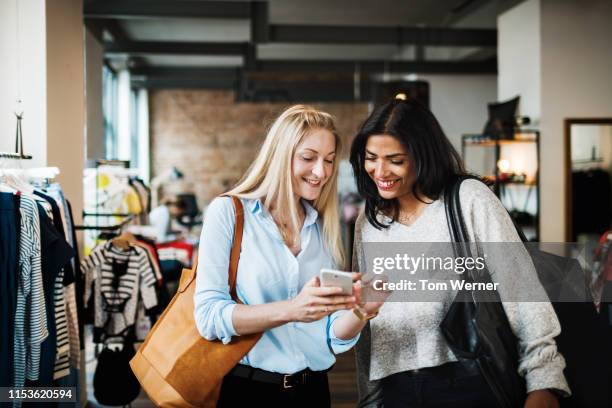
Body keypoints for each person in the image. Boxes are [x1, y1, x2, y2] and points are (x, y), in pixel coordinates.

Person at [349, 98, 570, 408]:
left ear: (422, 156)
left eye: (395, 160)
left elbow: (520, 288)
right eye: (371, 158)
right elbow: (368, 317)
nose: (379, 170)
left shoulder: (467, 199)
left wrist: (543, 380)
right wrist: (369, 398)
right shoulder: (369, 221)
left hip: (466, 380)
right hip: (396, 389)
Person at [194, 105, 384, 408]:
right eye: (308, 158)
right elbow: (209, 317)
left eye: (330, 161)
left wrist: (363, 311)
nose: (321, 172)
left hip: (313, 392)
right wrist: (293, 309)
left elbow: (332, 336)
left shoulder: (325, 227)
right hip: (246, 391)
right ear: (280, 155)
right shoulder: (229, 212)